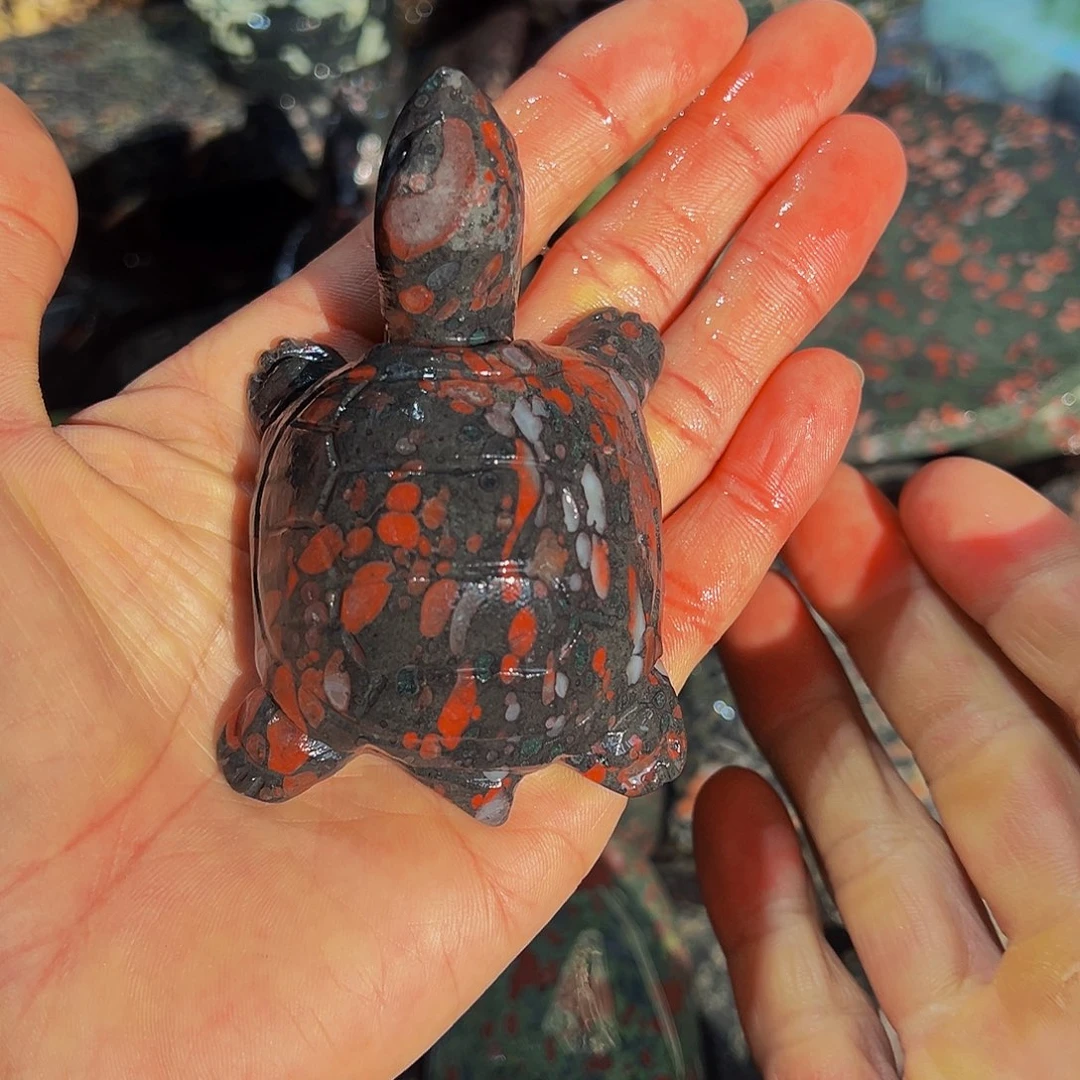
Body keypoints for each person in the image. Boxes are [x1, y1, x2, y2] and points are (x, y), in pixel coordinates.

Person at [0, 0, 1075, 1075]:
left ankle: (300, 744)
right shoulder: (580, 387)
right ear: (505, 241)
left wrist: (301, 393)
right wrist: (612, 358)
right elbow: (619, 365)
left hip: (340, 703)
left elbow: (294, 400)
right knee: (633, 696)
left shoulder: (331, 398)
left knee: (298, 658)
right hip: (576, 695)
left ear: (389, 256)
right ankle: (619, 724)